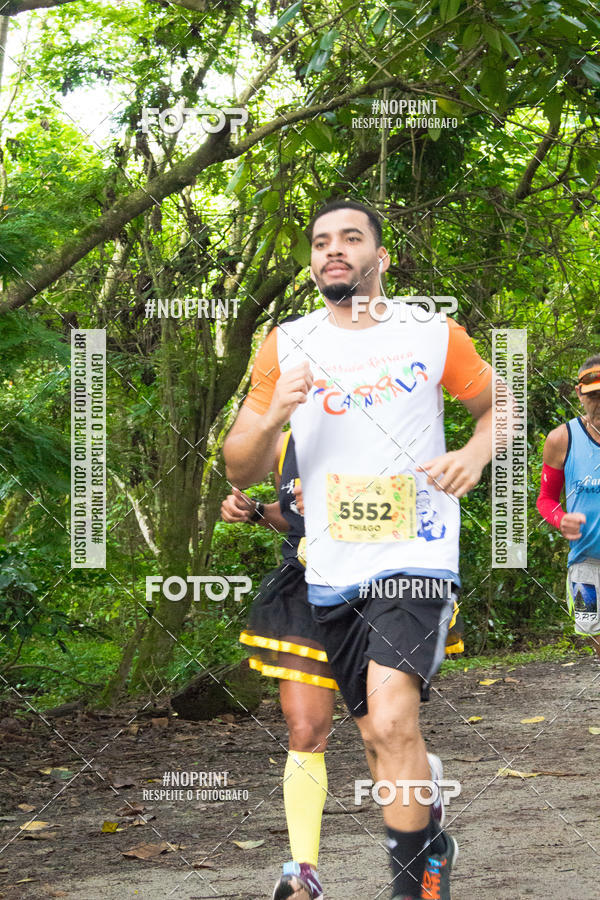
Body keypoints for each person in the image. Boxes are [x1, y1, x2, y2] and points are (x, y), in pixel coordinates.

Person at [224, 198, 494, 900]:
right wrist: (273, 415)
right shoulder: (287, 344)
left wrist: (477, 449)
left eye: (350, 238)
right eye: (321, 242)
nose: (333, 251)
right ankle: (429, 837)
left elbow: (501, 402)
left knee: (395, 717)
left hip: (416, 553)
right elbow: (240, 467)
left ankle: (409, 891)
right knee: (378, 738)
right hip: (330, 570)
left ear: (381, 255)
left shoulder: (431, 332)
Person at [221, 430, 463, 900]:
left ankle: (425, 840)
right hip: (304, 584)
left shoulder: (384, 415)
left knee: (379, 734)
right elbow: (291, 519)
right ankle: (302, 872)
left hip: (383, 583)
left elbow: (418, 505)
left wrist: (341, 502)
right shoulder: (280, 439)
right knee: (305, 727)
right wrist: (255, 513)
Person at [536, 356, 600, 658]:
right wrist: (560, 519)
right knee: (595, 635)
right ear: (580, 394)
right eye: (594, 396)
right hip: (585, 561)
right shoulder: (563, 439)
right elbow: (545, 499)